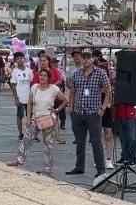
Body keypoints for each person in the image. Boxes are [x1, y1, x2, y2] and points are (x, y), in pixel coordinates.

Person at [6, 69, 68, 176]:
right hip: (36, 119)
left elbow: (65, 100)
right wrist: (28, 118)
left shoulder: (54, 89)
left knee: (48, 145)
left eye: (45, 75)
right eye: (41, 75)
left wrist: (57, 110)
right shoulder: (34, 87)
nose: (42, 77)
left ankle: (48, 169)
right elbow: (30, 103)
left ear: (49, 78)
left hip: (48, 120)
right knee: (26, 140)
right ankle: (18, 160)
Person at [66, 49, 111, 182]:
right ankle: (79, 166)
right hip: (79, 112)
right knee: (80, 142)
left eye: (88, 57)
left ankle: (101, 169)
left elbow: (108, 91)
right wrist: (72, 108)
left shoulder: (100, 73)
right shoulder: (77, 74)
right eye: (83, 57)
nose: (85, 60)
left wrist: (103, 108)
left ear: (92, 59)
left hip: (93, 113)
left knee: (96, 142)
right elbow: (72, 91)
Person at [8, 52, 33, 141]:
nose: (20, 60)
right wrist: (16, 98)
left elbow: (32, 84)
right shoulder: (15, 71)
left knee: (30, 117)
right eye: (18, 59)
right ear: (15, 61)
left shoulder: (29, 71)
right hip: (20, 98)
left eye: (21, 58)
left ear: (24, 59)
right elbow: (13, 85)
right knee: (20, 116)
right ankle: (20, 134)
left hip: (29, 98)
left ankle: (29, 134)